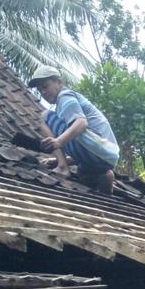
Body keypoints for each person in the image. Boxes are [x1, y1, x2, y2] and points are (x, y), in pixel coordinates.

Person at [27, 65, 120, 194]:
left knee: (45, 116)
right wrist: (56, 159)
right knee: (83, 176)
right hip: (105, 157)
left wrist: (58, 142)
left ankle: (62, 166)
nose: (43, 92)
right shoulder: (67, 102)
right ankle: (105, 175)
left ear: (59, 82)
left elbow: (81, 123)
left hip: (95, 149)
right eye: (39, 90)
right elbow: (84, 143)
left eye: (45, 86)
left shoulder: (65, 96)